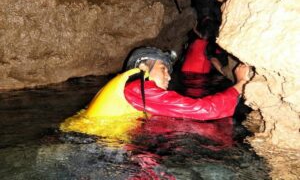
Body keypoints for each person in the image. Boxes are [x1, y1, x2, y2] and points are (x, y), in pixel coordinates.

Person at [60, 46, 250, 138]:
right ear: (143, 66)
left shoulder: (131, 89)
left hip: (89, 144)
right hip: (87, 150)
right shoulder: (138, 85)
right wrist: (240, 83)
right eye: (163, 69)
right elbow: (204, 110)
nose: (168, 76)